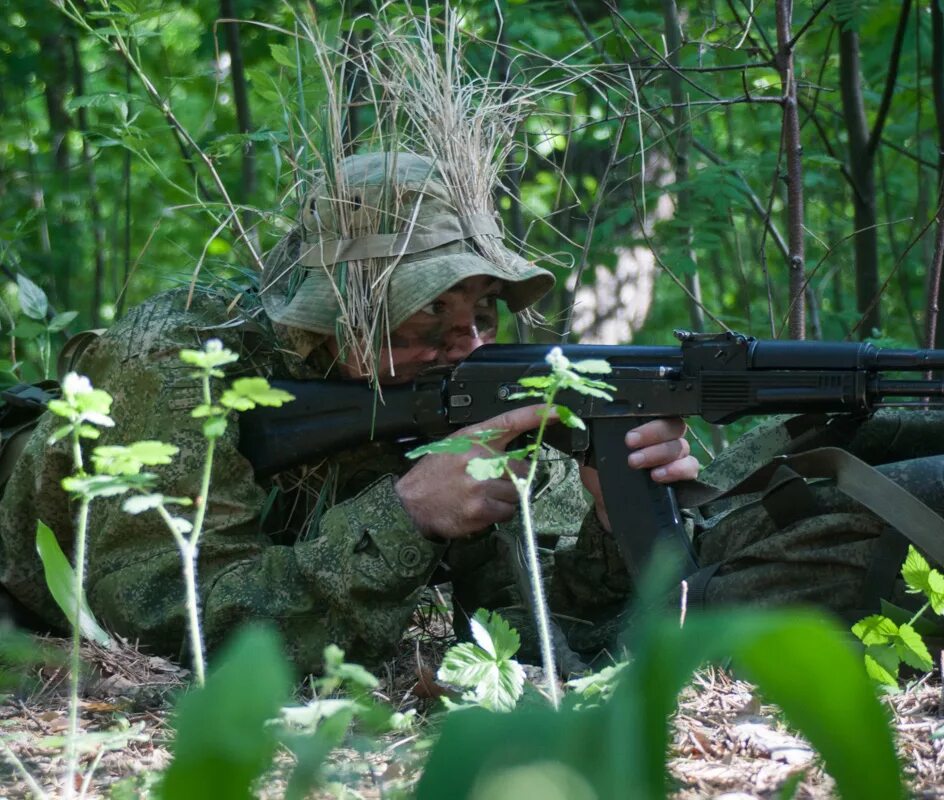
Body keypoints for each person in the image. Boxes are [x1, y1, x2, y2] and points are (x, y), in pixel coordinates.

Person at [0, 151, 698, 669]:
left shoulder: (447, 388)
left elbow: (526, 623)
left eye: (484, 309)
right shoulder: (174, 367)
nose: (470, 342)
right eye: (430, 312)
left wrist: (610, 521)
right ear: (335, 318)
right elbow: (170, 623)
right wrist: (407, 515)